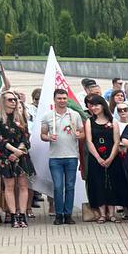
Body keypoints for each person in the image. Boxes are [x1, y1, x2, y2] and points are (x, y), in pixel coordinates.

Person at [40, 88, 84, 224]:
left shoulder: (74, 115)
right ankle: (59, 214)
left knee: (70, 186)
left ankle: (68, 214)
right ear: (55, 99)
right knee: (58, 186)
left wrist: (79, 135)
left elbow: (82, 133)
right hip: (55, 157)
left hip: (71, 156)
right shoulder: (48, 116)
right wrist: (48, 137)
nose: (62, 101)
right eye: (59, 98)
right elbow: (42, 135)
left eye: (64, 98)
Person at [0, 93, 34, 228]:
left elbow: (26, 137)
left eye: (15, 100)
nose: (13, 102)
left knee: (23, 186)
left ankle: (22, 214)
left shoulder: (21, 117)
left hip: (21, 156)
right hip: (6, 156)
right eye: (10, 100)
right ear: (3, 101)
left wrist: (19, 152)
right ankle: (13, 215)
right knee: (9, 187)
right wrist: (13, 151)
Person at [83, 95, 123, 223]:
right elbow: (89, 141)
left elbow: (117, 141)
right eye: (92, 105)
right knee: (98, 184)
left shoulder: (113, 121)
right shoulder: (90, 121)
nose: (94, 108)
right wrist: (98, 158)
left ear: (102, 105)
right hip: (96, 158)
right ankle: (101, 214)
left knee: (111, 184)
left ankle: (111, 213)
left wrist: (111, 157)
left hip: (112, 157)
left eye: (96, 105)